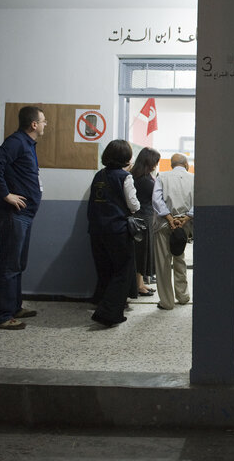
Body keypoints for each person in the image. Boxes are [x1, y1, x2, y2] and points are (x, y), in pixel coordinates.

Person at [0, 105, 46, 330]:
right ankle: (1, 316)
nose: (45, 124)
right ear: (34, 124)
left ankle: (14, 306)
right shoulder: (17, 141)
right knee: (9, 265)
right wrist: (5, 195)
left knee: (18, 263)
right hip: (13, 214)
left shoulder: (27, 144)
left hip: (25, 214)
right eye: (43, 121)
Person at [88, 140, 140, 327]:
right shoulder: (125, 177)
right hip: (117, 230)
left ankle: (101, 301)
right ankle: (109, 313)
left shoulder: (98, 175)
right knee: (123, 270)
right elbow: (134, 205)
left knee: (105, 270)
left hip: (96, 229)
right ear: (125, 158)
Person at [152, 153, 194, 310]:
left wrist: (170, 219)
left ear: (171, 165)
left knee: (163, 261)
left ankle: (167, 302)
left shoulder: (162, 177)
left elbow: (156, 200)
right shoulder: (193, 178)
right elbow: (199, 200)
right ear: (186, 165)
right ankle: (183, 296)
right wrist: (186, 218)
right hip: (184, 225)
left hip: (164, 224)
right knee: (180, 258)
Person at [131, 147, 161, 297]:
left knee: (142, 252)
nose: (156, 164)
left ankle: (141, 283)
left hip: (142, 217)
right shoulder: (144, 180)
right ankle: (138, 285)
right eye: (155, 161)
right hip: (143, 218)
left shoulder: (137, 176)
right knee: (142, 253)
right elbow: (156, 196)